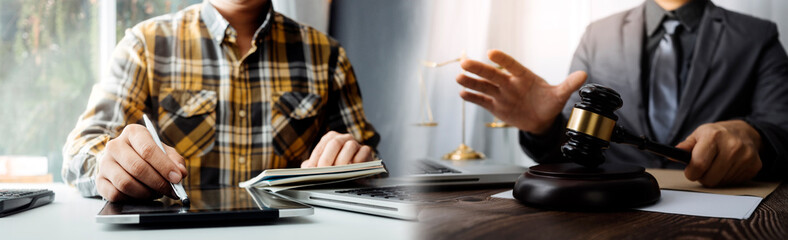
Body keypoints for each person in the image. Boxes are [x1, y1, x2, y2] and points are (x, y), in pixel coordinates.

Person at [62, 0, 379, 201]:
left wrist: (357, 163)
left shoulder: (327, 55)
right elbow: (82, 147)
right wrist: (109, 164)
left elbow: (368, 163)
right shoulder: (144, 45)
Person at [457, 0, 788, 187]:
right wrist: (543, 127)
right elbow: (573, 145)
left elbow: (780, 125)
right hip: (611, 201)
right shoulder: (597, 35)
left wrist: (751, 134)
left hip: (719, 198)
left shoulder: (756, 36)